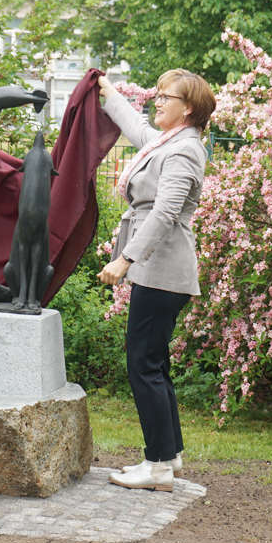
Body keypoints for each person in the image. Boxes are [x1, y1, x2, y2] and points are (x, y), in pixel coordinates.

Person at [96, 69, 216, 492]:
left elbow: (166, 213)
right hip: (159, 268)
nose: (157, 101)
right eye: (158, 95)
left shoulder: (184, 151)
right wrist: (108, 92)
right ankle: (171, 455)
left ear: (190, 108)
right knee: (154, 364)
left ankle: (158, 466)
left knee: (143, 365)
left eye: (167, 97)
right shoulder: (168, 142)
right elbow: (137, 127)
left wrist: (126, 259)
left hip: (162, 269)